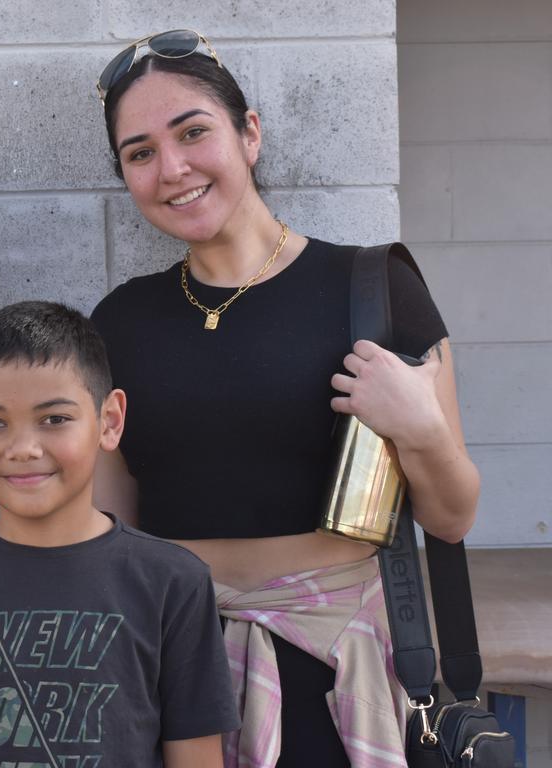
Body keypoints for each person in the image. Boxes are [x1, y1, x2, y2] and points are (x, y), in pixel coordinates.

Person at [89, 30, 480, 768]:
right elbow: (113, 531)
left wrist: (420, 428)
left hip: (333, 670)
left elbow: (453, 514)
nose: (172, 168)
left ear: (249, 134)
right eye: (140, 153)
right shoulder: (120, 320)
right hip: (173, 665)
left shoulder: (374, 289)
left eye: (193, 132)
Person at [0, 301, 240, 768]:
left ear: (110, 421)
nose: (24, 449)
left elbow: (196, 756)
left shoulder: (173, 581)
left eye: (54, 419)